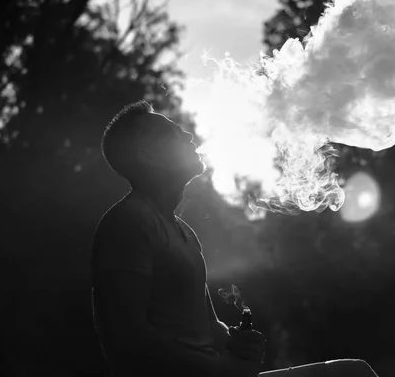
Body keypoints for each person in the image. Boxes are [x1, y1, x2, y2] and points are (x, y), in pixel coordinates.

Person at [91, 100, 379, 377]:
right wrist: (221, 371)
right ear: (147, 155)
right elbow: (126, 336)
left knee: (354, 372)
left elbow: (207, 325)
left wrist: (234, 340)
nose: (189, 135)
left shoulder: (183, 232)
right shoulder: (129, 223)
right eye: (172, 134)